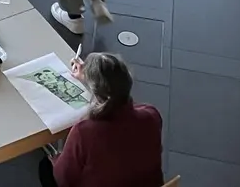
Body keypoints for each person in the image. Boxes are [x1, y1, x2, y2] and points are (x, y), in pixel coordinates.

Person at [37, 53, 163, 187]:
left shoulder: (85, 132)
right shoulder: (152, 115)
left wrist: (56, 159)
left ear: (95, 91)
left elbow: (62, 179)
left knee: (45, 167)